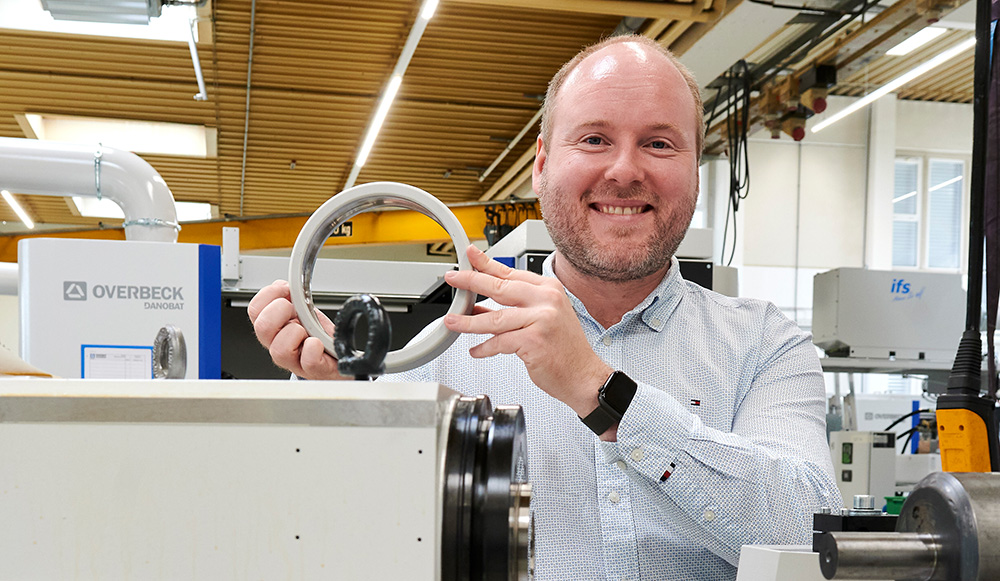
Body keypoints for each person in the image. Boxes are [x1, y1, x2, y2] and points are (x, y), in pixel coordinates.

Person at [249, 35, 840, 581]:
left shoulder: (765, 345)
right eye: (594, 139)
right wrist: (332, 396)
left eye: (658, 143)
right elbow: (341, 531)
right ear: (540, 164)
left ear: (695, 170)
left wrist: (603, 392)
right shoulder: (447, 350)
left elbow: (810, 532)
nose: (625, 170)